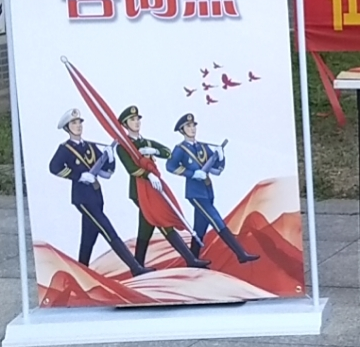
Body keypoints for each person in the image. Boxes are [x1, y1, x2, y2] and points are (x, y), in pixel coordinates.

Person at [47, 109, 148, 276]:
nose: (78, 126)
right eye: (74, 123)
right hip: (82, 198)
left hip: (96, 196)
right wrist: (79, 176)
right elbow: (54, 167)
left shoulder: (91, 146)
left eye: (79, 122)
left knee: (88, 239)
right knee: (109, 231)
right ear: (67, 128)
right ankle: (135, 268)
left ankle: (81, 273)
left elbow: (106, 174)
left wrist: (111, 158)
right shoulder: (65, 149)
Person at [116, 105, 209, 268]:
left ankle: (137, 266)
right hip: (140, 191)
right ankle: (190, 259)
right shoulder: (123, 146)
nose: (137, 122)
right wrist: (149, 174)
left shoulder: (146, 142)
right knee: (162, 220)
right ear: (125, 124)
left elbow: (167, 152)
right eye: (132, 120)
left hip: (154, 190)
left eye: (137, 119)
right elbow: (132, 169)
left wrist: (153, 151)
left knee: (146, 226)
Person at [166, 113, 259, 264]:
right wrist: (192, 174)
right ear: (182, 130)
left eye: (193, 125)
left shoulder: (203, 147)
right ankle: (241, 254)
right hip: (195, 192)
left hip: (208, 191)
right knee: (216, 220)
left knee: (200, 228)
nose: (192, 128)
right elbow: (170, 166)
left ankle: (193, 260)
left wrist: (221, 157)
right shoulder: (180, 149)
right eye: (188, 126)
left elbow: (216, 170)